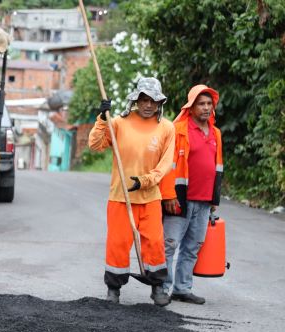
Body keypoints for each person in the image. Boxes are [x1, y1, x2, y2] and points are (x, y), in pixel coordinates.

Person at [88, 77, 175, 306]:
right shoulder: (119, 123)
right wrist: (101, 119)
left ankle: (157, 289)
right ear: (136, 100)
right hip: (120, 196)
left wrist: (145, 181)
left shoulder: (166, 128)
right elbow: (95, 145)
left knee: (154, 244)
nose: (148, 105)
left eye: (153, 100)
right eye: (143, 100)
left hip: (150, 198)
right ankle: (113, 290)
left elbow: (165, 164)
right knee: (117, 243)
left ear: (160, 102)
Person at [159, 85, 223, 304]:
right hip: (179, 198)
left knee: (193, 246)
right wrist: (168, 195)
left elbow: (218, 167)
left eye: (209, 104)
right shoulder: (178, 130)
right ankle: (163, 289)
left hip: (204, 200)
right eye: (201, 104)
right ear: (191, 107)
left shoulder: (215, 133)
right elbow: (168, 165)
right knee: (170, 243)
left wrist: (214, 199)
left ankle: (182, 288)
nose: (206, 108)